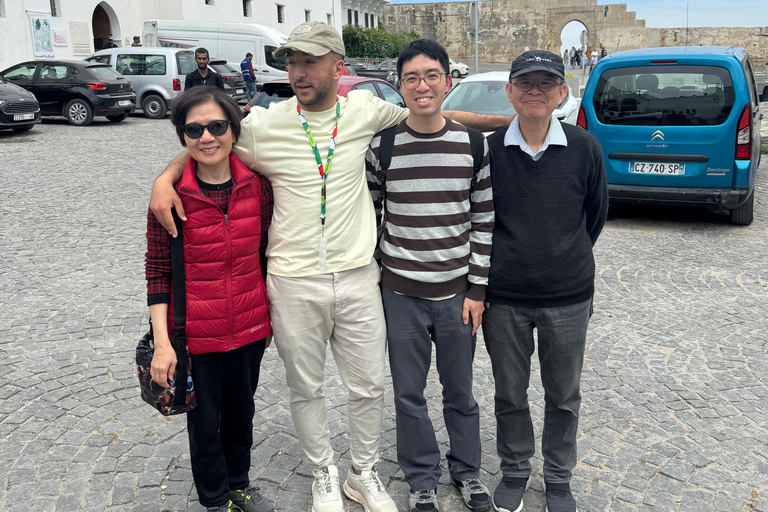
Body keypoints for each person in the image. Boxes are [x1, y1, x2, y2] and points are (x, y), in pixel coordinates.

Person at [148, 21, 510, 512]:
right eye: (293, 61)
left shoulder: (367, 110)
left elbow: (431, 111)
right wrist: (165, 177)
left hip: (361, 274)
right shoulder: (265, 124)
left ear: (338, 67)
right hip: (293, 281)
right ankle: (323, 471)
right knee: (306, 387)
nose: (299, 71)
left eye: (311, 61)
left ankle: (363, 473)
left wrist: (518, 122)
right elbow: (207, 138)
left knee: (367, 386)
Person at [365, 39, 494, 512]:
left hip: (458, 294)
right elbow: (372, 215)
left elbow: (483, 222)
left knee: (460, 391)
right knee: (408, 393)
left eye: (431, 76)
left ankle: (467, 471)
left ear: (447, 80)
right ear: (400, 86)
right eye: (412, 77)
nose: (422, 85)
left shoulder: (473, 145)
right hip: (400, 293)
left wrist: (477, 288)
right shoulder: (384, 147)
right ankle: (421, 477)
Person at [482, 50, 608, 512]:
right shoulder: (490, 149)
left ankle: (558, 477)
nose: (535, 90)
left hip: (568, 296)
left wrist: (563, 257)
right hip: (505, 297)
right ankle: (515, 469)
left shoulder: (584, 148)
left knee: (564, 395)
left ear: (561, 93)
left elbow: (593, 216)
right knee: (510, 393)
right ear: (510, 92)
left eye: (545, 83)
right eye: (525, 83)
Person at [145, 85, 275, 512]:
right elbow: (159, 271)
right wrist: (163, 344)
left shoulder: (260, 187)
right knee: (204, 424)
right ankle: (216, 500)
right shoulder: (169, 200)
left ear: (233, 129)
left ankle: (239, 483)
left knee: (241, 414)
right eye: (194, 129)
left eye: (217, 126)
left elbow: (266, 254)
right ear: (182, 136)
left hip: (250, 328)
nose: (207, 137)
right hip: (195, 335)